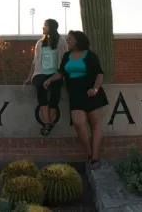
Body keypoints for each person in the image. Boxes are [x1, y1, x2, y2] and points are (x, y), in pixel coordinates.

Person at [43, 30, 109, 169]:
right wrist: (50, 79)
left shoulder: (90, 55)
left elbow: (99, 74)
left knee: (95, 124)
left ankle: (95, 157)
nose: (68, 41)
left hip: (91, 92)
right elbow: (61, 72)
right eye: (67, 39)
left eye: (70, 39)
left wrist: (95, 89)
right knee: (79, 123)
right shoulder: (67, 56)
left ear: (78, 40)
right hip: (75, 93)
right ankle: (90, 152)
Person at [23, 19, 68, 136]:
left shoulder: (61, 41)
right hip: (40, 73)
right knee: (40, 86)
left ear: (51, 28)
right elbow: (35, 62)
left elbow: (64, 59)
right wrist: (29, 77)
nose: (43, 27)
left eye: (45, 26)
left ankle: (48, 123)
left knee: (55, 88)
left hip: (56, 73)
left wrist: (62, 74)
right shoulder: (40, 43)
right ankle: (48, 122)